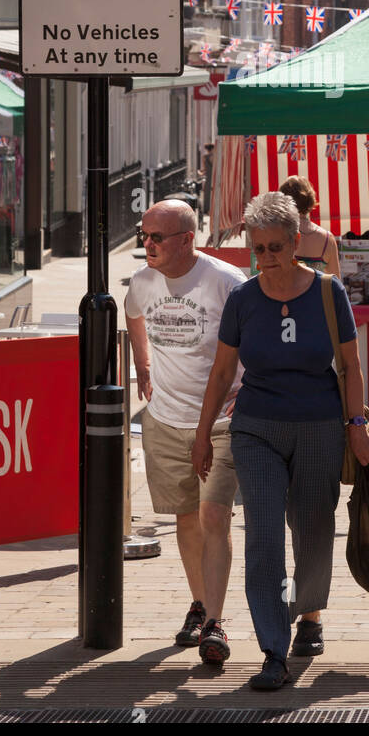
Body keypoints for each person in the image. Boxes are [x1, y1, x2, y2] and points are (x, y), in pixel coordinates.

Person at [192, 191, 369, 691]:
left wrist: (356, 426)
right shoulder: (243, 299)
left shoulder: (327, 293)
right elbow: (223, 370)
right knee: (265, 536)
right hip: (256, 428)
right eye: (259, 248)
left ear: (297, 242)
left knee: (313, 530)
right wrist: (204, 434)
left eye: (276, 247)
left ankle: (307, 615)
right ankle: (273, 648)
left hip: (318, 425)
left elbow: (351, 366)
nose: (267, 258)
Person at [124, 199, 246, 665]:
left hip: (219, 422)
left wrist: (247, 388)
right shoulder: (143, 281)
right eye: (144, 235)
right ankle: (200, 604)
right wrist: (142, 365)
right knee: (186, 519)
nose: (147, 245)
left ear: (187, 240)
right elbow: (133, 314)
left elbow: (252, 339)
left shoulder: (225, 283)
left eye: (157, 237)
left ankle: (215, 622)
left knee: (214, 516)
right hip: (165, 418)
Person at [279, 175, 340, 277]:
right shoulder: (327, 238)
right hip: (315, 293)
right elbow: (335, 281)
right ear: (310, 200)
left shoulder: (276, 233)